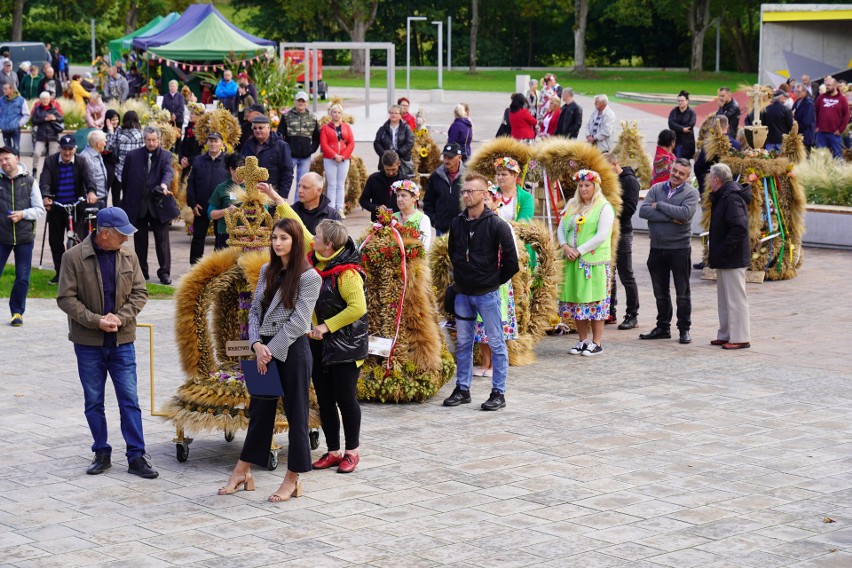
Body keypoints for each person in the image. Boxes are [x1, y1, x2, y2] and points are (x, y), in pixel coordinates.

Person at [217, 218, 321, 501]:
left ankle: (293, 478)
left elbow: (300, 321)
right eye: (274, 237)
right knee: (259, 413)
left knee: (297, 414)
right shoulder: (267, 270)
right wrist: (256, 345)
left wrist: (270, 350)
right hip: (263, 350)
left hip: (292, 351)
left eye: (284, 238)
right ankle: (242, 471)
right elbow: (254, 312)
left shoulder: (310, 277)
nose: (277, 243)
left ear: (296, 241)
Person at [56, 207, 159, 479]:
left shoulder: (129, 255)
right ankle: (101, 452)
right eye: (121, 234)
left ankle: (137, 456)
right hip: (88, 343)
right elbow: (65, 298)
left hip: (122, 341)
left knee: (130, 400)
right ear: (104, 233)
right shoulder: (73, 257)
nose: (126, 239)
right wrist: (96, 320)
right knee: (93, 401)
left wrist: (121, 318)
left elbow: (140, 292)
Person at [442, 172, 519, 411]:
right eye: (464, 191)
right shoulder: (457, 222)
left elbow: (511, 262)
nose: (466, 195)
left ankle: (498, 392)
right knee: (464, 342)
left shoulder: (497, 224)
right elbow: (452, 251)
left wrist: (491, 281)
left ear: (484, 195)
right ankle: (463, 388)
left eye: (471, 191)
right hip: (463, 293)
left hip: (487, 294)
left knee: (496, 343)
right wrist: (463, 276)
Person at [303, 219, 369, 474]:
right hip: (320, 345)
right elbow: (301, 228)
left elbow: (358, 308)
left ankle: (352, 452)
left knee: (345, 399)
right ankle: (333, 451)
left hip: (345, 347)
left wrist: (326, 326)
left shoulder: (347, 272)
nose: (312, 239)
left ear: (328, 244)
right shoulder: (320, 261)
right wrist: (276, 199)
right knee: (325, 400)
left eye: (317, 236)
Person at [638, 158, 699, 344]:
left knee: (682, 291)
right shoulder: (656, 188)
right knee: (660, 292)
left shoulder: (691, 193)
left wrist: (660, 206)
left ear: (687, 177)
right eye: (675, 171)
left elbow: (685, 214)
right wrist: (671, 217)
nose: (676, 175)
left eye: (681, 173)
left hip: (679, 249)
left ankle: (684, 329)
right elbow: (643, 212)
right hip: (657, 248)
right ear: (670, 169)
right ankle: (663, 327)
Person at [557, 169, 616, 356]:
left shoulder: (604, 206)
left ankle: (596, 342)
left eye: (587, 185)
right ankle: (582, 340)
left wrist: (579, 250)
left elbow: (601, 235)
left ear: (595, 186)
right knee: (577, 301)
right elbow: (561, 227)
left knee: (594, 301)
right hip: (572, 260)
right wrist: (565, 246)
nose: (583, 189)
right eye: (581, 185)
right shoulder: (573, 204)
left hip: (593, 262)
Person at [471, 181, 518, 377]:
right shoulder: (472, 221)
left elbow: (511, 254)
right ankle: (485, 362)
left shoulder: (502, 224)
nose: (485, 201)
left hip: (497, 282)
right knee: (481, 325)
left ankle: (495, 365)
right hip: (479, 282)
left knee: (495, 324)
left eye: (489, 198)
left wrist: (499, 278)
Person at [120, 125, 178, 285]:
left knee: (162, 241)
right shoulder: (133, 156)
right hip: (138, 204)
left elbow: (168, 172)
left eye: (154, 140)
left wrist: (164, 185)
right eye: (148, 140)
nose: (151, 143)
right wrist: (127, 200)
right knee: (140, 240)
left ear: (159, 140)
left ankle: (164, 272)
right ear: (144, 140)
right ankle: (142, 272)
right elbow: (125, 179)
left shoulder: (166, 156)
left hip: (158, 204)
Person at [39, 134, 97, 282]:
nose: (67, 152)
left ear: (74, 149)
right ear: (60, 148)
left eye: (70, 149)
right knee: (55, 241)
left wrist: (91, 192)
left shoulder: (81, 161)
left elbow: (89, 179)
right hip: (57, 207)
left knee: (79, 241)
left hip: (76, 206)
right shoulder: (50, 161)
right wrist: (46, 196)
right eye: (64, 149)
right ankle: (60, 273)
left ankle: (78, 273)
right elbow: (44, 181)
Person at [707, 163, 751, 350]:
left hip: (732, 257)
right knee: (725, 299)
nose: (709, 181)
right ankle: (726, 333)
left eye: (710, 178)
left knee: (736, 298)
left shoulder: (731, 198)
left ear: (717, 180)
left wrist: (724, 249)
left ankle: (740, 336)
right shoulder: (723, 195)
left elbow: (739, 227)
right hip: (725, 257)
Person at [0, 145, 45, 327]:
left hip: (25, 237)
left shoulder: (30, 181)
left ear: (17, 158)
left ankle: (17, 312)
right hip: (2, 237)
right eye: (1, 160)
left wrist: (23, 214)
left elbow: (39, 209)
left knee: (23, 277)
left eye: (7, 159)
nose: (4, 163)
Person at [601, 153, 640, 330]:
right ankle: (610, 310)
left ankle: (632, 313)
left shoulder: (629, 181)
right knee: (610, 273)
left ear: (615, 164)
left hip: (622, 232)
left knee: (626, 274)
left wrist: (609, 215)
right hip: (608, 232)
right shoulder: (608, 181)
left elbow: (630, 209)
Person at [187, 133, 228, 264]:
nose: (213, 144)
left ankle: (218, 266)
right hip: (201, 206)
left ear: (222, 143)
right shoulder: (198, 160)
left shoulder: (227, 161)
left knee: (220, 238)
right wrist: (192, 204)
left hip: (220, 208)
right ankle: (194, 267)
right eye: (210, 141)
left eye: (216, 141)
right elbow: (191, 183)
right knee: (198, 238)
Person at [241, 114, 295, 198]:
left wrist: (282, 196)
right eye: (254, 128)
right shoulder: (248, 144)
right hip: (251, 194)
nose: (257, 130)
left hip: (272, 194)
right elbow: (241, 165)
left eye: (260, 128)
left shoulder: (281, 146)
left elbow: (287, 172)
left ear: (268, 128)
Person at [281, 91, 320, 199]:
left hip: (305, 157)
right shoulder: (286, 116)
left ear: (307, 102)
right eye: (299, 100)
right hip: (290, 156)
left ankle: (298, 206)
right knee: (286, 179)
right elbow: (280, 134)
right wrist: (285, 150)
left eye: (303, 101)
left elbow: (317, 136)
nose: (301, 103)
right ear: (295, 101)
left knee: (302, 182)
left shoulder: (312, 117)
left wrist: (311, 149)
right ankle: (281, 203)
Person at [423, 143, 466, 236]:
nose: (446, 160)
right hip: (441, 229)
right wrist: (434, 221)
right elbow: (428, 202)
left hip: (463, 228)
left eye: (450, 158)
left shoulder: (468, 176)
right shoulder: (436, 176)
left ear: (459, 157)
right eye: (445, 157)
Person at [319, 103, 354, 215]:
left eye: (339, 112)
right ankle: (331, 208)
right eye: (334, 112)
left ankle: (340, 208)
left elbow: (351, 143)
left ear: (342, 114)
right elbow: (324, 144)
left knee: (341, 185)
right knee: (331, 184)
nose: (336, 114)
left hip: (344, 159)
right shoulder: (325, 128)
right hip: (330, 159)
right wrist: (334, 155)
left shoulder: (346, 127)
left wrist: (343, 155)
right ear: (330, 113)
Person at [207, 153, 245, 249]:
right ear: (230, 169)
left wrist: (250, 212)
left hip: (247, 234)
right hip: (225, 233)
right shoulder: (222, 188)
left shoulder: (253, 187)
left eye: (244, 170)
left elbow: (263, 209)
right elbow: (210, 213)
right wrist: (226, 211)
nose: (241, 173)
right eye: (238, 170)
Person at [107, 111, 143, 204]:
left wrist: (110, 131)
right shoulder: (140, 134)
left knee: (119, 194)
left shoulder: (119, 132)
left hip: (121, 169)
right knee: (133, 195)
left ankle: (120, 214)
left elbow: (109, 146)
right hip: (136, 169)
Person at [360, 150, 404, 222]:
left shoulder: (405, 180)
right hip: (378, 222)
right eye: (387, 170)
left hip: (400, 221)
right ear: (383, 165)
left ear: (399, 163)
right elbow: (363, 200)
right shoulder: (374, 179)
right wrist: (376, 208)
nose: (390, 172)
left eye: (393, 169)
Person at [814, 76, 850, 159]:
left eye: (829, 85)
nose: (827, 87)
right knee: (820, 157)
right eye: (826, 85)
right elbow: (815, 112)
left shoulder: (842, 99)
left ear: (835, 86)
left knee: (837, 157)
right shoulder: (821, 97)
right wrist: (816, 126)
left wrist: (840, 129)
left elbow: (846, 115)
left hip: (835, 133)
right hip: (821, 133)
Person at [373, 104, 414, 177]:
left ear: (400, 115)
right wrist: (385, 154)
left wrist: (398, 153)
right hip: (386, 160)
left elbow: (409, 143)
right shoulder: (382, 129)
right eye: (391, 113)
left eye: (396, 113)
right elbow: (377, 143)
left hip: (403, 160)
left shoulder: (406, 128)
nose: (393, 115)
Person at [30, 91, 63, 177]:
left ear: (50, 99)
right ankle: (34, 169)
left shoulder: (53, 109)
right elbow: (34, 121)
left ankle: (52, 171)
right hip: (41, 135)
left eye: (47, 99)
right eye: (43, 99)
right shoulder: (37, 109)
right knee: (37, 153)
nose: (45, 100)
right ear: (40, 100)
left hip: (53, 135)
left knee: (52, 156)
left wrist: (54, 118)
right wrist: (45, 119)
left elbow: (61, 119)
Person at [392, 179, 432, 250]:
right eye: (398, 196)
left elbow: (424, 247)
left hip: (414, 260)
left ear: (414, 198)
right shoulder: (392, 217)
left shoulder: (423, 219)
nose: (399, 199)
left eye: (403, 195)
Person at [79, 130, 110, 209]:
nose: (105, 144)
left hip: (101, 198)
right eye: (104, 142)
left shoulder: (97, 154)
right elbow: (87, 180)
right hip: (93, 200)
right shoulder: (86, 157)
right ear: (98, 144)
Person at [0, 83, 29, 155]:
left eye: (5, 89)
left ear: (11, 89)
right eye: (3, 89)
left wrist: (19, 123)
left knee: (16, 148)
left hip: (15, 129)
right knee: (6, 149)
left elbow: (26, 115)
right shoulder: (1, 100)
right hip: (5, 129)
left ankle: (16, 164)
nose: (3, 91)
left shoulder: (21, 100)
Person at [178, 103, 205, 180]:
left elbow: (202, 151)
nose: (190, 115)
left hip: (195, 166)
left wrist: (189, 161)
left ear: (199, 115)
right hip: (184, 165)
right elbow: (182, 146)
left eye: (192, 113)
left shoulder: (203, 132)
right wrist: (181, 158)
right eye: (190, 113)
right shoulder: (188, 129)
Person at [668, 90, 696, 159]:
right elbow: (671, 124)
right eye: (678, 101)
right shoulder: (674, 111)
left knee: (685, 163)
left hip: (687, 143)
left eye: (682, 101)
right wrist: (682, 129)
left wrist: (676, 128)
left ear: (687, 101)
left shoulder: (691, 113)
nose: (680, 102)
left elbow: (690, 125)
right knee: (676, 161)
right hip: (676, 141)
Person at [792, 84, 816, 153]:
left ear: (804, 92)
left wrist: (795, 129)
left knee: (805, 158)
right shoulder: (796, 102)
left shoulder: (809, 103)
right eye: (795, 91)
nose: (796, 93)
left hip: (806, 136)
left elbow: (806, 122)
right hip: (798, 135)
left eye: (798, 92)